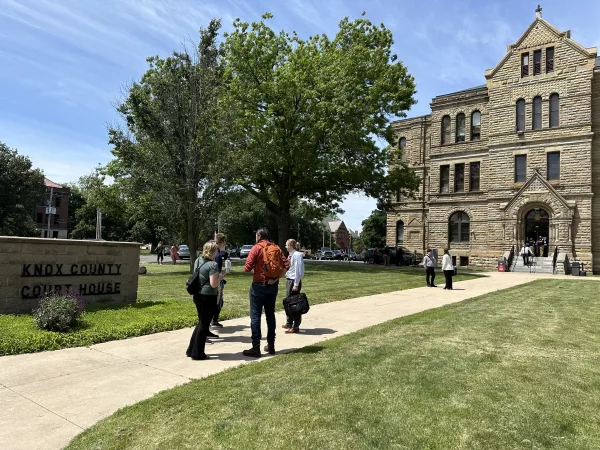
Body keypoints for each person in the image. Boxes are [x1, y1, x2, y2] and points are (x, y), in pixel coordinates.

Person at [243, 228, 289, 357]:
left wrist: (256, 271)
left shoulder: (256, 248)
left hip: (258, 286)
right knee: (270, 315)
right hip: (272, 286)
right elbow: (287, 266)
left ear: (259, 236)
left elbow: (247, 268)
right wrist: (275, 280)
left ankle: (256, 347)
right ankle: (271, 345)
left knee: (255, 316)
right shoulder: (277, 248)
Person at [186, 242, 220, 361]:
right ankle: (198, 353)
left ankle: (191, 349)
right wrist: (221, 276)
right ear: (213, 252)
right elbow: (213, 284)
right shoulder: (213, 265)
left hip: (197, 295)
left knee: (201, 322)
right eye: (215, 251)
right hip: (208, 297)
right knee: (204, 326)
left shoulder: (198, 261)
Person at [283, 239, 305, 334]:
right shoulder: (291, 255)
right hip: (289, 280)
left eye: (287, 245)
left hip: (293, 281)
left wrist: (296, 284)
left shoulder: (297, 255)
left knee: (294, 304)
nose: (286, 247)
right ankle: (289, 323)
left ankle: (296, 326)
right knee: (288, 303)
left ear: (291, 245)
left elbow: (298, 271)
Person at [211, 233, 227, 329]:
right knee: (218, 301)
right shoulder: (217, 255)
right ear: (222, 242)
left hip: (216, 280)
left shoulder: (214, 253)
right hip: (216, 282)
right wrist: (225, 273)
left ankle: (214, 320)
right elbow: (216, 272)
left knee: (219, 302)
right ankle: (213, 320)